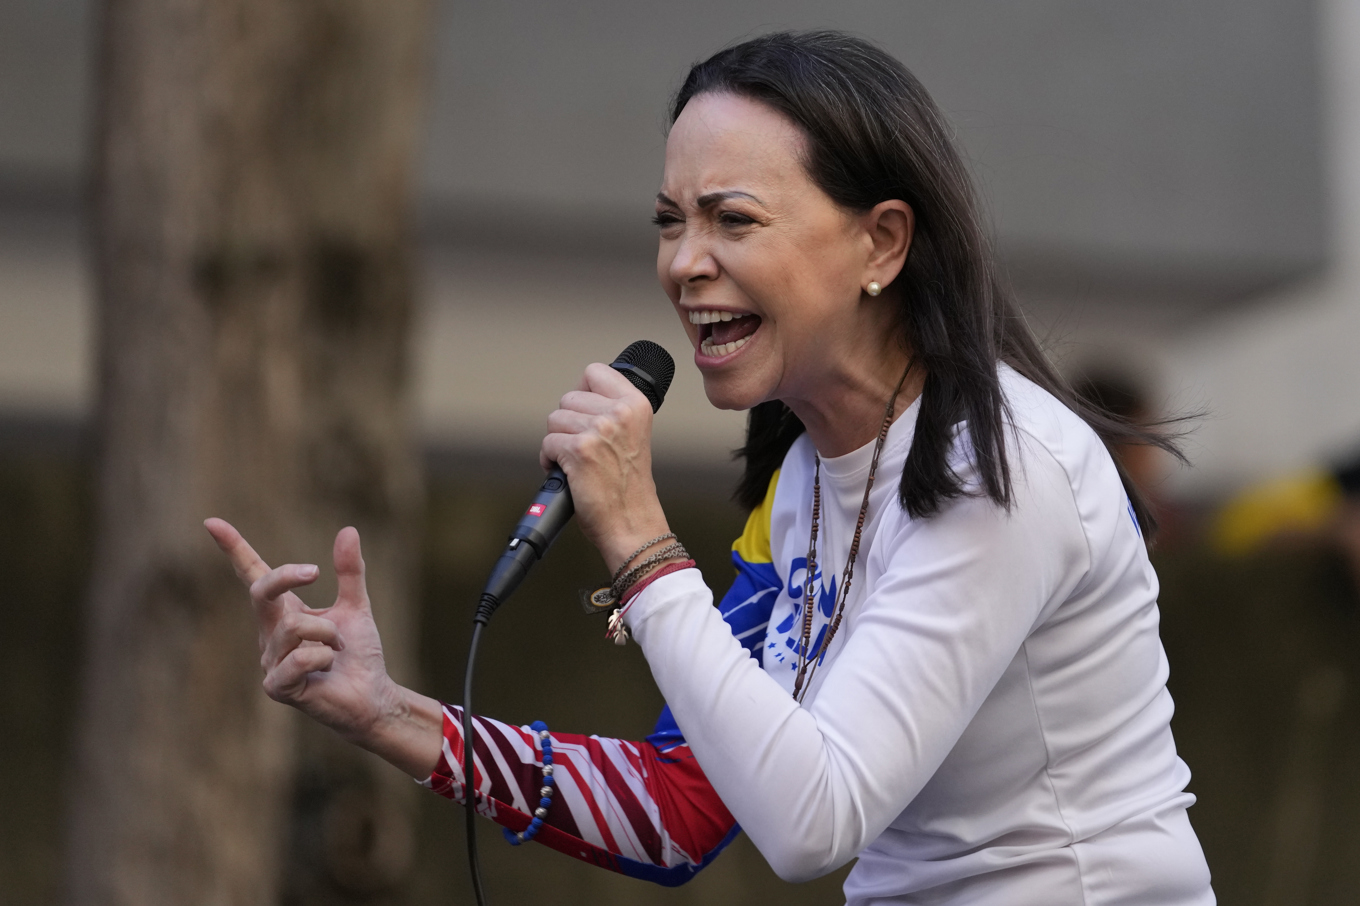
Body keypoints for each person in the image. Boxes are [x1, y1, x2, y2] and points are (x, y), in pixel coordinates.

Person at [206, 31, 1213, 905]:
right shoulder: (808, 480)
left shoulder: (1001, 471)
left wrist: (640, 543)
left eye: (732, 220)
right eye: (669, 221)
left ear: (883, 243)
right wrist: (390, 714)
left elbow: (811, 823)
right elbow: (681, 807)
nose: (684, 262)